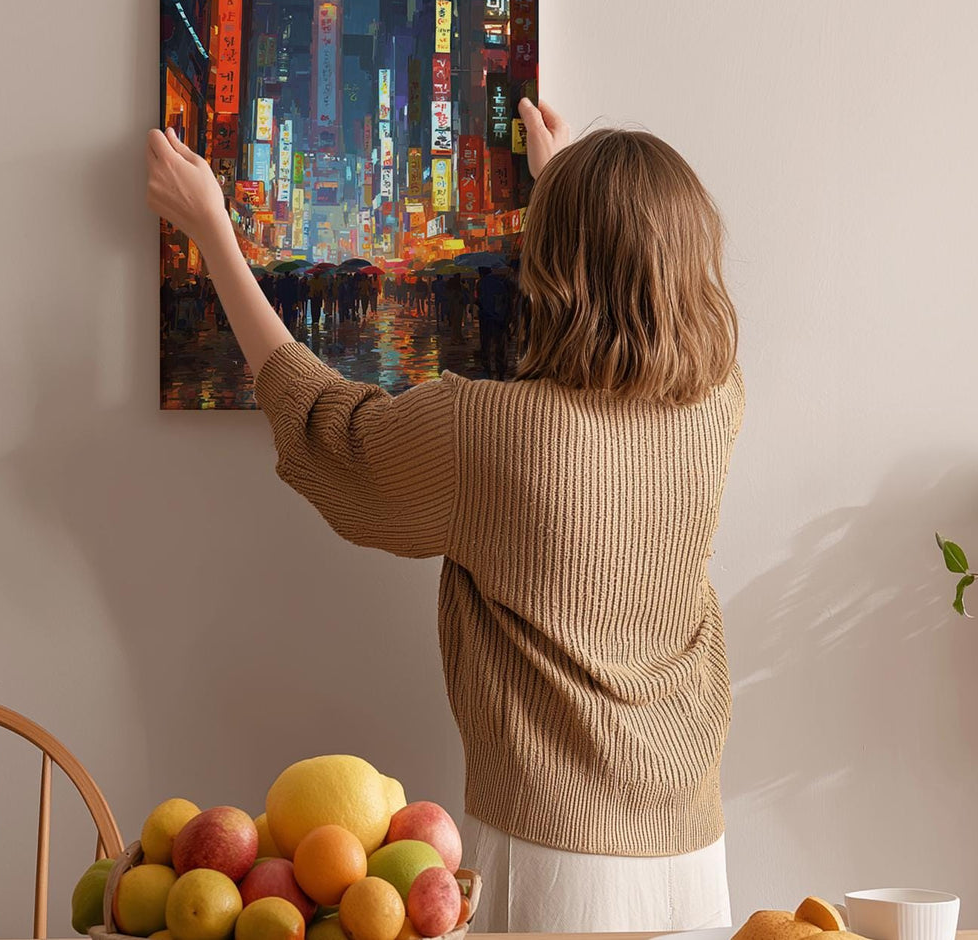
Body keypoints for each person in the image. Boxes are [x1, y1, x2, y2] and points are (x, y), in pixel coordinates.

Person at [145, 95, 742, 934]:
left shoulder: (488, 432)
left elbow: (328, 427)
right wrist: (563, 183)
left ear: (552, 261)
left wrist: (212, 233)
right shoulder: (715, 404)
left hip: (550, 852)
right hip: (692, 846)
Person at [475, 265, 511, 379]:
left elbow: (481, 300)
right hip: (499, 318)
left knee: (486, 342)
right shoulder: (500, 283)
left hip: (486, 318)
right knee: (500, 343)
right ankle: (501, 367)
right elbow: (505, 300)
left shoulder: (481, 283)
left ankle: (487, 366)